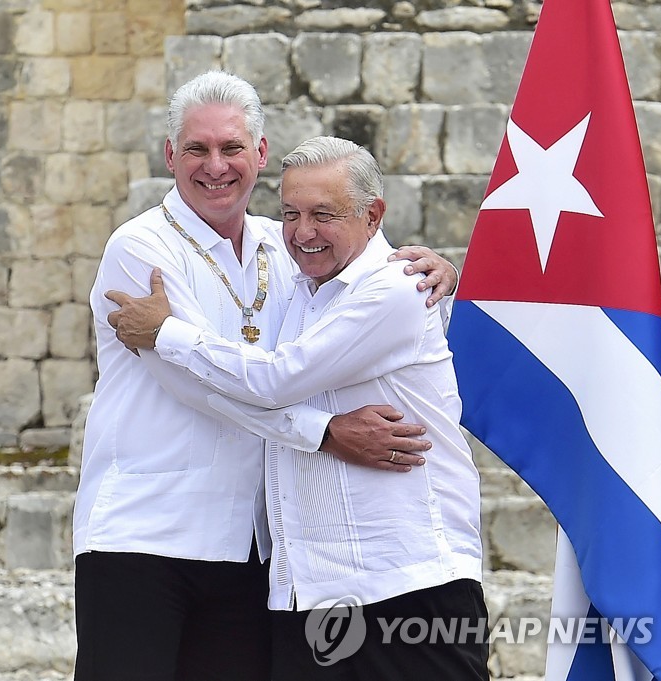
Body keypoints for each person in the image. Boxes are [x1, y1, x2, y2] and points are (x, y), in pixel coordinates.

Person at [73, 71, 459, 681]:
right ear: (170, 155)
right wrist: (327, 433)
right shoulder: (140, 247)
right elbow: (198, 388)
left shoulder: (283, 247)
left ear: (260, 154)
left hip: (251, 544)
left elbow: (357, 284)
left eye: (231, 149)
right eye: (197, 149)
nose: (215, 166)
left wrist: (431, 271)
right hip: (145, 535)